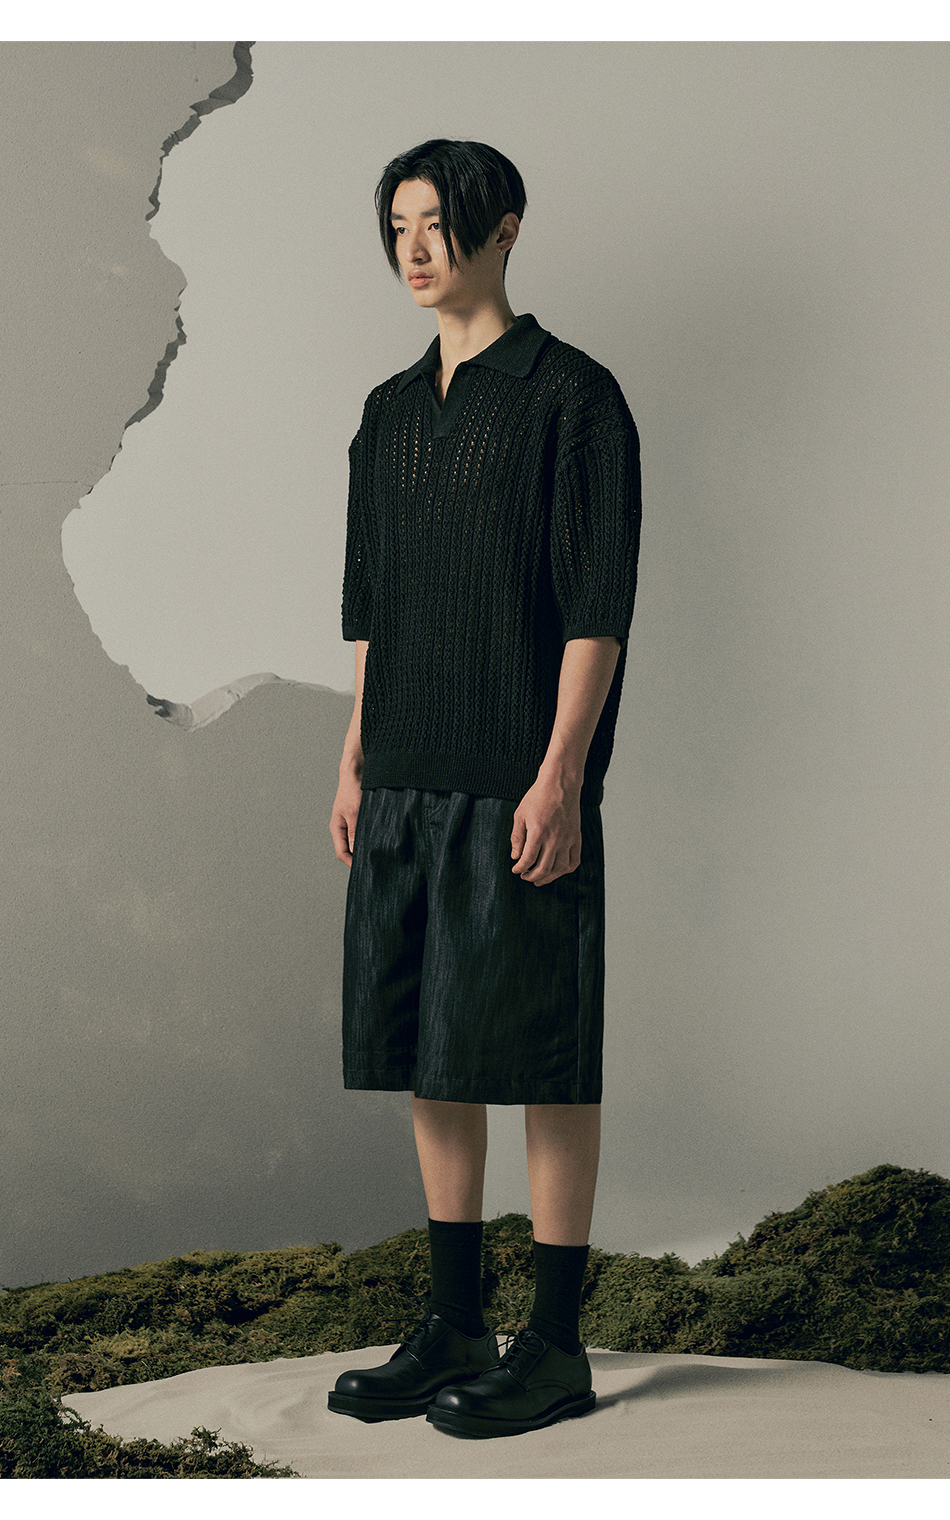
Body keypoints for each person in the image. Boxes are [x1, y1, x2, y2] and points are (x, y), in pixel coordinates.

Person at [327, 138, 640, 1439]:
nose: (414, 247)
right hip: (403, 773)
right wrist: (353, 757)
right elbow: (369, 605)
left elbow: (595, 602)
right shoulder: (389, 412)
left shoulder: (573, 397)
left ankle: (555, 1346)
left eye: (437, 222)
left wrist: (561, 773)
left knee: (545, 1054)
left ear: (503, 227)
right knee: (431, 1051)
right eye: (396, 224)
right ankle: (454, 1321)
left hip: (518, 777)